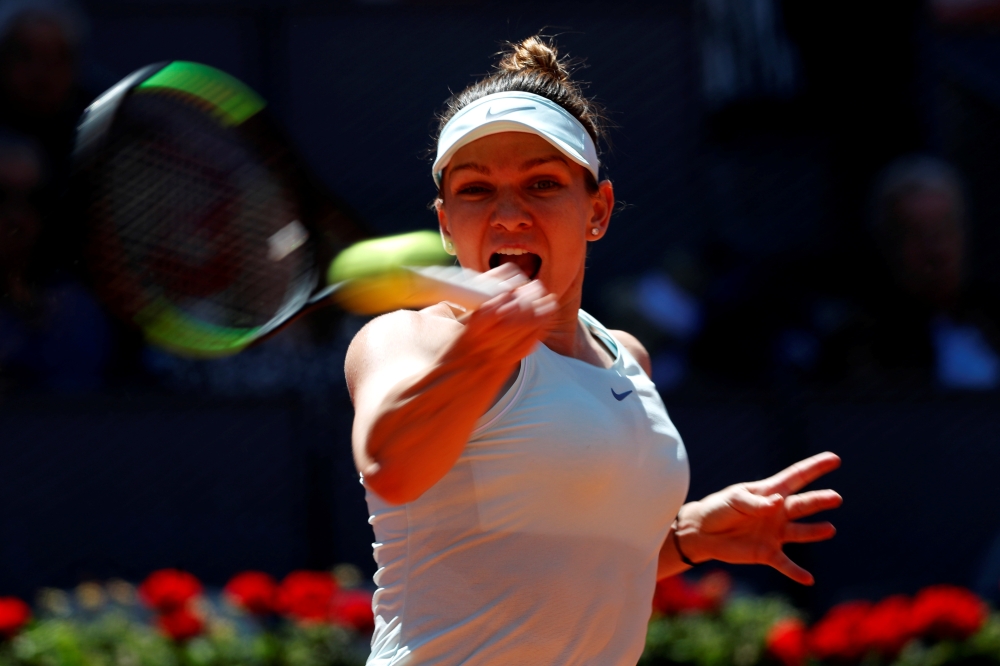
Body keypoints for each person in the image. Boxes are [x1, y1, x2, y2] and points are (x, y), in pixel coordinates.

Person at [346, 36, 842, 666]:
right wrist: (481, 356)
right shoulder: (409, 338)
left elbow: (559, 566)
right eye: (475, 190)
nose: (508, 214)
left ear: (598, 211)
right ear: (446, 225)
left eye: (542, 183)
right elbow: (392, 466)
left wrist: (686, 537)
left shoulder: (626, 353)